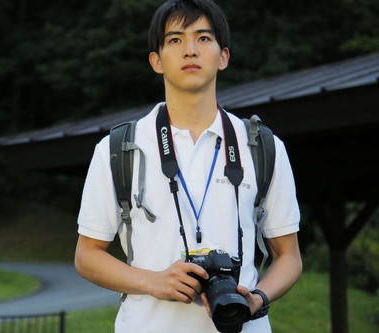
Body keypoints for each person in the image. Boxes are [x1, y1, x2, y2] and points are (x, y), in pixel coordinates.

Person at [74, 0, 302, 332]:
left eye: (204, 38)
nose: (190, 50)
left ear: (223, 56)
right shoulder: (120, 149)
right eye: (176, 40)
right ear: (156, 60)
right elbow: (86, 256)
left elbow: (289, 256)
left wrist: (258, 298)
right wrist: (153, 281)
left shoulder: (262, 148)